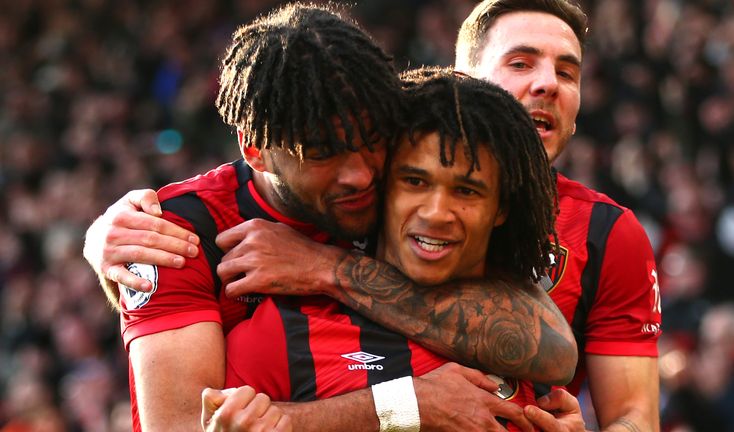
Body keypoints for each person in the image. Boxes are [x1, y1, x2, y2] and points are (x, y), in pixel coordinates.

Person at [81, 3, 577, 431]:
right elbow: (188, 426)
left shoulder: (404, 178)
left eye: (370, 140)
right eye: (323, 154)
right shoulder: (178, 233)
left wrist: (326, 268)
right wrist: (407, 406)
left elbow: (553, 350)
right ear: (256, 152)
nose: (360, 175)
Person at [213, 68, 561, 431]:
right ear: (381, 187)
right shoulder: (277, 337)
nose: (436, 213)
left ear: (501, 209)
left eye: (466, 191)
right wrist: (405, 408)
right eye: (414, 181)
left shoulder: (529, 350)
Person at [454, 1, 662, 430]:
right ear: (460, 83)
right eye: (521, 63)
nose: (548, 83)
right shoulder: (373, 193)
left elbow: (633, 417)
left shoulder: (609, 234)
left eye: (567, 72)